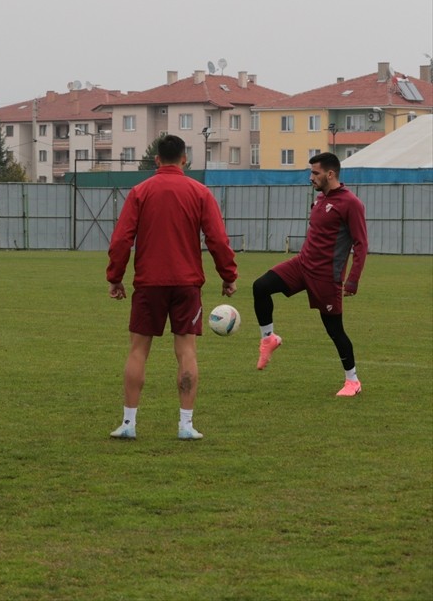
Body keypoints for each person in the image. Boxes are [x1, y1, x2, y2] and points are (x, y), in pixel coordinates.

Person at [106, 134, 237, 441]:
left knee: (138, 351)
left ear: (156, 160)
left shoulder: (140, 191)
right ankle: (186, 425)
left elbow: (122, 238)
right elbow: (217, 239)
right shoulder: (200, 192)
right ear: (184, 160)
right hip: (186, 283)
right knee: (186, 351)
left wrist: (115, 276)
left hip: (148, 283)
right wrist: (228, 274)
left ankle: (128, 423)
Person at [252, 152, 368, 397]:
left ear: (330, 174)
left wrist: (353, 280)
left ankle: (353, 381)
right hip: (301, 265)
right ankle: (268, 339)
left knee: (334, 330)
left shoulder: (351, 203)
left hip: (326, 277)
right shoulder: (319, 199)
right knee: (260, 286)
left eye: (315, 173)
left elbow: (361, 244)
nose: (311, 177)